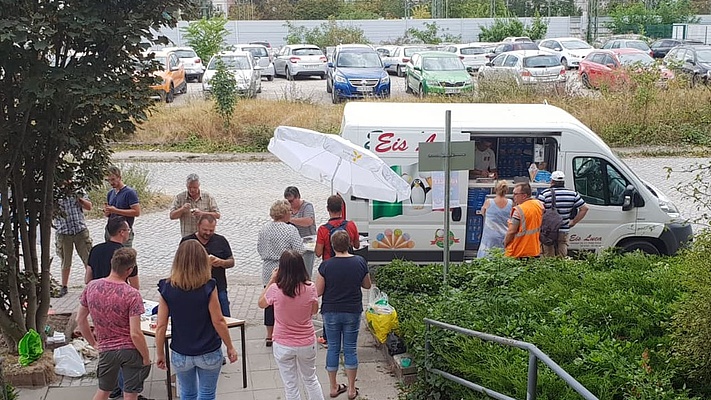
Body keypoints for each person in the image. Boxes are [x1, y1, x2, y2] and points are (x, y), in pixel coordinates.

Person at [155, 240, 238, 400]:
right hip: (208, 350)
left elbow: (161, 326)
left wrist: (160, 353)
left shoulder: (167, 287)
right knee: (207, 394)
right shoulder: (208, 286)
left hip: (181, 351)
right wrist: (230, 346)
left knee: (187, 393)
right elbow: (218, 320)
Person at [76, 248, 151, 400]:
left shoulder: (91, 287)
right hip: (130, 349)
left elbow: (80, 319)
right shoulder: (132, 294)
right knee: (130, 394)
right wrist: (146, 356)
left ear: (112, 263)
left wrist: (93, 343)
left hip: (106, 349)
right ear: (129, 270)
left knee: (103, 391)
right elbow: (135, 333)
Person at [258, 250, 324, 400]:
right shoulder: (311, 287)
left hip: (283, 343)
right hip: (307, 341)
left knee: (290, 385)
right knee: (311, 379)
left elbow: (261, 303)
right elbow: (313, 311)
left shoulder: (276, 289)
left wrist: (271, 280)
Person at [316, 230, 371, 400]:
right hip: (352, 310)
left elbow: (318, 291)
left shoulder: (326, 265)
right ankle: (352, 389)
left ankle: (333, 387)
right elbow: (367, 285)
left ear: (332, 246)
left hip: (331, 311)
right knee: (350, 349)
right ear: (349, 244)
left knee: (333, 347)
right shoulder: (360, 262)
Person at [257, 200, 305, 346]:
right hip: (286, 268)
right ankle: (287, 328)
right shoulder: (290, 230)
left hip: (268, 269)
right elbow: (299, 249)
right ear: (285, 214)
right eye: (289, 212)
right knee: (286, 299)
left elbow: (259, 249)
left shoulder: (264, 229)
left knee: (270, 301)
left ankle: (269, 335)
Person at [314, 195, 360, 347]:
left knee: (329, 300)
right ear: (342, 208)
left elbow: (318, 253)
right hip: (348, 266)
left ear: (327, 209)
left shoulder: (323, 230)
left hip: (329, 269)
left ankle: (328, 336)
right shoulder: (351, 225)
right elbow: (357, 245)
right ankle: (347, 334)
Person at [181, 215, 234, 317]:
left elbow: (231, 262)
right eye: (205, 230)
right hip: (194, 288)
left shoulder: (221, 240)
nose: (208, 233)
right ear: (198, 226)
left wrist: (221, 262)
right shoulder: (187, 241)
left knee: (224, 319)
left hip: (218, 287)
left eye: (211, 230)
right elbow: (181, 265)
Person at [537, 171, 589, 257]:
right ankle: (561, 269)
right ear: (563, 182)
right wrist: (573, 222)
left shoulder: (545, 194)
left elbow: (539, 210)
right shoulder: (573, 194)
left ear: (552, 181)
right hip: (564, 229)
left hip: (548, 231)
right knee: (562, 253)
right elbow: (584, 208)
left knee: (548, 254)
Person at [54, 191, 93, 297]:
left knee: (88, 258)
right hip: (63, 231)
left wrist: (79, 199)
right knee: (65, 260)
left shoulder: (78, 190)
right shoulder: (55, 191)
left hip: (80, 229)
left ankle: (92, 284)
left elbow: (89, 207)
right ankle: (64, 286)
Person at [86, 216, 140, 290]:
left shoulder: (95, 250)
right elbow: (135, 286)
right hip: (118, 295)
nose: (129, 232)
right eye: (128, 230)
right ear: (122, 232)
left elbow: (87, 279)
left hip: (98, 293)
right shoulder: (126, 255)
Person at [169, 173, 221, 238]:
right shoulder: (180, 197)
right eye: (189, 187)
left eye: (194, 187)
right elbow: (172, 216)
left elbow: (217, 215)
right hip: (188, 238)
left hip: (205, 238)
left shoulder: (207, 197)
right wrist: (182, 209)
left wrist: (202, 213)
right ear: (186, 185)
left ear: (199, 185)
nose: (192, 190)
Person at [504, 182, 544, 259]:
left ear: (524, 196)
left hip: (519, 251)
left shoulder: (519, 210)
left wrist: (505, 243)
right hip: (534, 249)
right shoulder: (538, 205)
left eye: (516, 194)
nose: (514, 196)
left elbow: (511, 231)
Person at [104, 166, 141, 248]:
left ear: (119, 178)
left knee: (125, 257)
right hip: (110, 231)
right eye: (108, 180)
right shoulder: (110, 193)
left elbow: (137, 212)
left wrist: (116, 210)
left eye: (113, 179)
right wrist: (107, 212)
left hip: (124, 232)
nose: (111, 182)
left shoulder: (130, 193)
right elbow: (110, 213)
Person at [283, 186, 316, 277]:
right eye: (287, 201)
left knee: (305, 273)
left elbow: (308, 221)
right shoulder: (286, 208)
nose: (289, 204)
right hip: (292, 245)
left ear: (298, 197)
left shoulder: (307, 207)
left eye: (291, 201)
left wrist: (290, 219)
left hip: (307, 245)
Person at [477, 181, 513, 258]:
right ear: (506, 190)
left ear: (495, 189)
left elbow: (483, 213)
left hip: (490, 235)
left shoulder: (489, 202)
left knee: (486, 256)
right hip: (504, 235)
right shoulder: (510, 202)